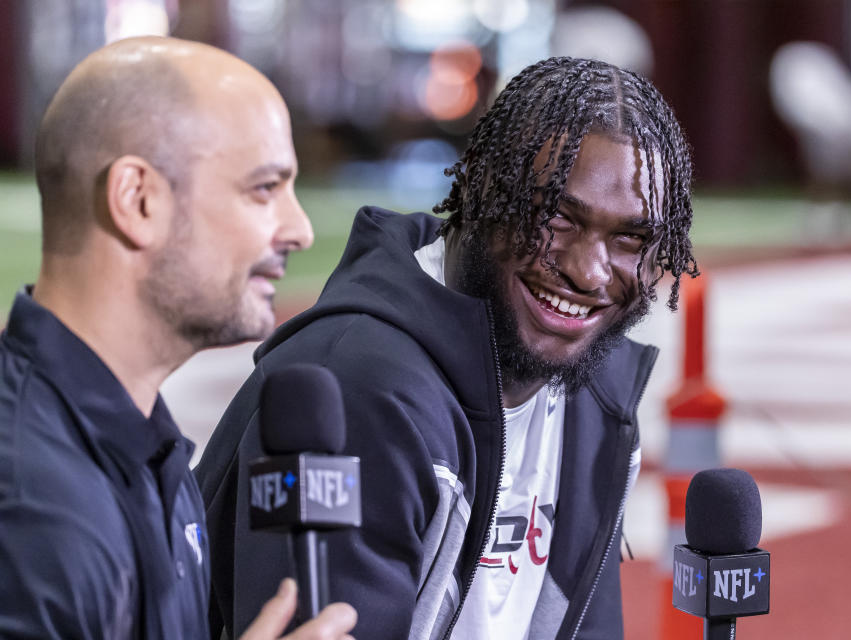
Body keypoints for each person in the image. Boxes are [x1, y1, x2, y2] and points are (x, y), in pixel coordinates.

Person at [197, 57, 697, 639]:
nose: (589, 272)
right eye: (557, 217)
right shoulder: (358, 390)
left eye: (630, 237)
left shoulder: (591, 388)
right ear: (483, 187)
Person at [0, 37, 356, 639]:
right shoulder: (31, 504)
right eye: (264, 189)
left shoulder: (133, 439)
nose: (298, 228)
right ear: (138, 200)